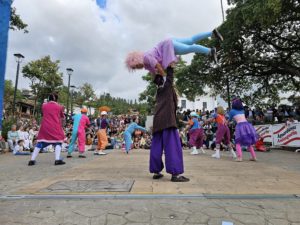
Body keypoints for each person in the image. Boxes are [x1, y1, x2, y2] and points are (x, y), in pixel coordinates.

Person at [125, 29, 224, 76]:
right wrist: (157, 80)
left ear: (136, 60)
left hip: (168, 45)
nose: (137, 68)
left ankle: (210, 51)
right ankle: (212, 33)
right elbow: (154, 73)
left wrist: (164, 78)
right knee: (190, 40)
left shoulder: (146, 57)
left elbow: (158, 67)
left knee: (189, 48)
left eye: (136, 66)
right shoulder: (147, 61)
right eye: (135, 68)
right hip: (169, 41)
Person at [150, 66, 189, 182]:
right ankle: (175, 174)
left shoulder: (159, 91)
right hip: (168, 121)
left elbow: (165, 78)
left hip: (157, 122)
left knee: (156, 147)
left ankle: (156, 171)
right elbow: (170, 77)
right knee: (172, 147)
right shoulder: (167, 87)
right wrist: (170, 65)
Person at [28, 93, 66, 166]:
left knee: (40, 142)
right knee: (58, 142)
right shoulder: (59, 107)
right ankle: (57, 160)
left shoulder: (44, 105)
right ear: (56, 99)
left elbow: (44, 104)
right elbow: (62, 117)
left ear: (49, 98)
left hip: (45, 126)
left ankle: (32, 160)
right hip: (55, 127)